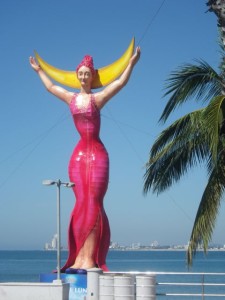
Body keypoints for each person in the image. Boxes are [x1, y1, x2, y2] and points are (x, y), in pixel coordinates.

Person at [29, 46, 141, 273]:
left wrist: (131, 64)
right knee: (80, 203)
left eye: (87, 74)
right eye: (80, 73)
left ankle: (90, 258)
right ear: (76, 75)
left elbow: (119, 83)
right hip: (78, 157)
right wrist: (39, 70)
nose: (83, 77)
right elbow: (51, 87)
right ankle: (77, 258)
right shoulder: (70, 98)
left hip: (98, 155)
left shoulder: (97, 98)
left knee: (94, 202)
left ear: (93, 76)